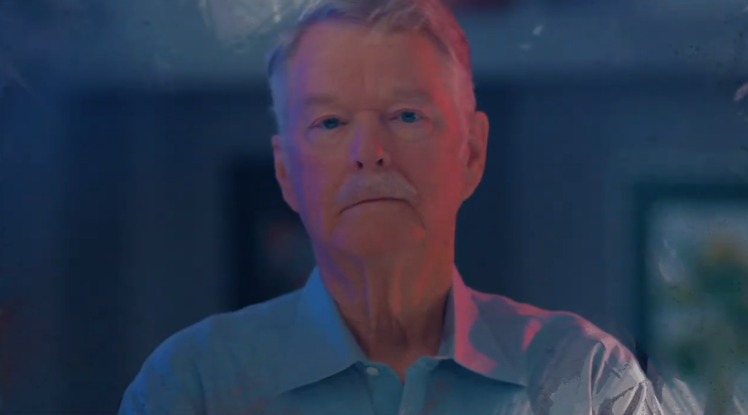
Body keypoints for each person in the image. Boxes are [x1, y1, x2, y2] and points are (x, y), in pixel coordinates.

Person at [119, 0, 663, 414]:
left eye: (406, 116)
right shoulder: (192, 386)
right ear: (286, 173)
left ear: (471, 152)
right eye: (330, 122)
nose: (369, 152)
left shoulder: (587, 382)